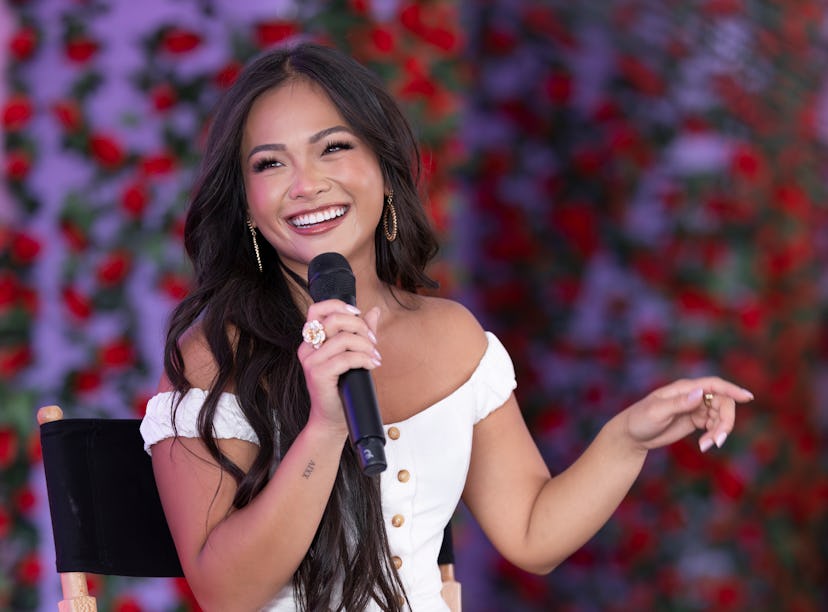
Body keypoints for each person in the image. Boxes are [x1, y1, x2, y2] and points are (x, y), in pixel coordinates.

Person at [139, 41, 754, 612]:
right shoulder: (216, 353)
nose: (306, 185)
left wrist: (629, 438)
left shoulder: (453, 336)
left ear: (383, 166)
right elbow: (226, 593)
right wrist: (327, 427)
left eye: (334, 147)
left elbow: (532, 533)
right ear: (246, 202)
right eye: (271, 163)